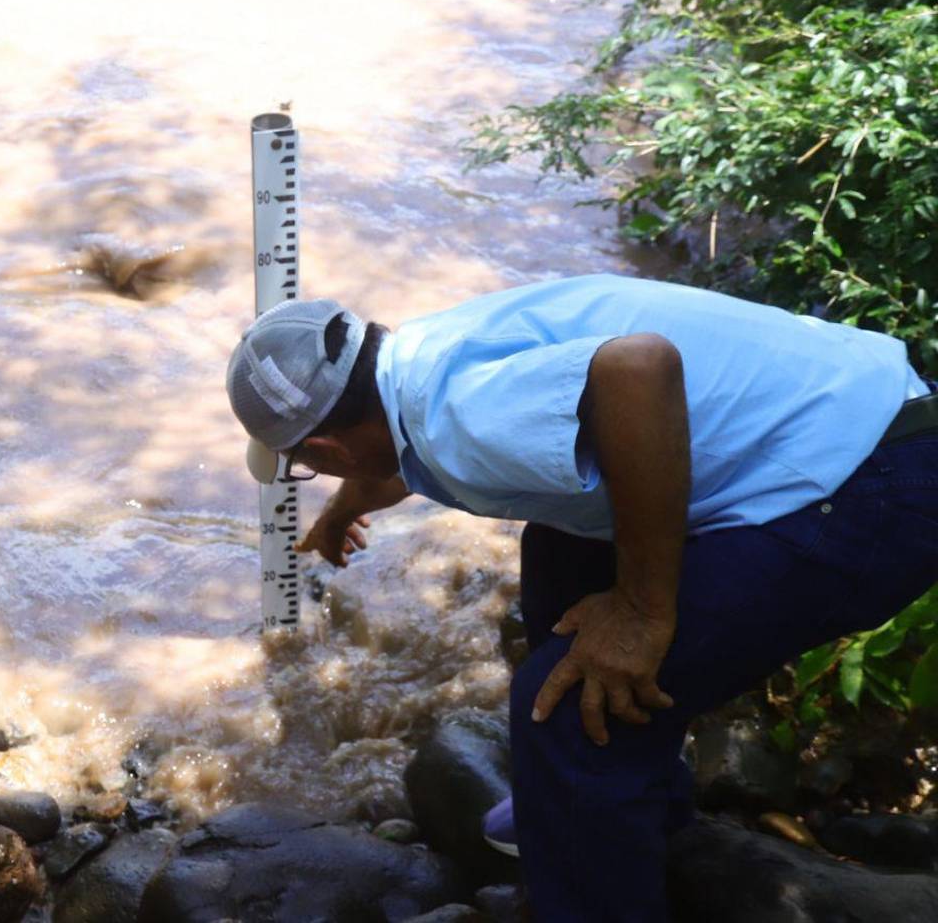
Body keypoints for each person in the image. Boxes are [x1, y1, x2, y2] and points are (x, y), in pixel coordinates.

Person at [225, 274, 938, 922]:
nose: (309, 475)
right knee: (561, 553)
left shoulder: (461, 414)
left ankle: (590, 839)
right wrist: (343, 511)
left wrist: (640, 611)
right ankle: (614, 813)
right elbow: (397, 458)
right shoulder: (413, 365)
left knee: (561, 712)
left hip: (871, 487)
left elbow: (638, 369)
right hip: (860, 414)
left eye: (303, 466)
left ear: (326, 449)